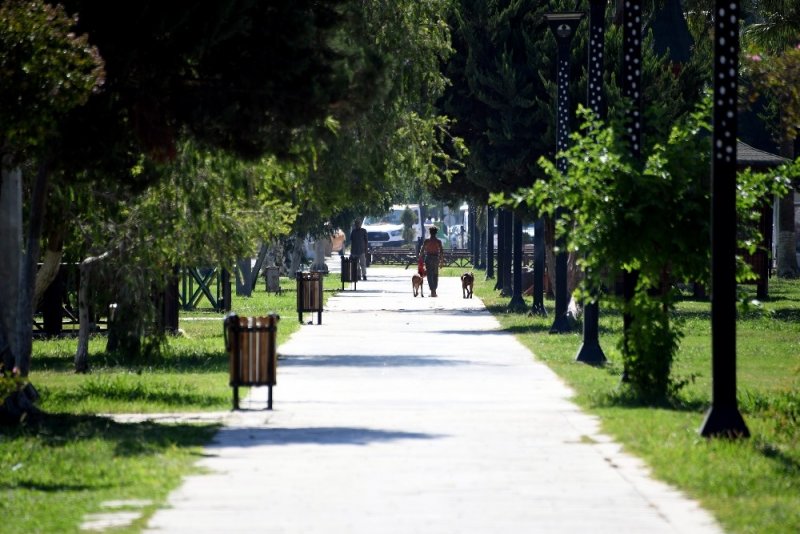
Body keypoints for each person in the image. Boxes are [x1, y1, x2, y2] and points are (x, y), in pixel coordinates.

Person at [420, 226, 444, 297]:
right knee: (435, 274)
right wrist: (441, 261)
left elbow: (422, 250)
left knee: (429, 275)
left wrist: (420, 258)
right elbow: (441, 252)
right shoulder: (438, 241)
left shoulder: (427, 241)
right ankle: (434, 291)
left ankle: (432, 291)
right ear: (436, 233)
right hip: (436, 258)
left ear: (430, 232)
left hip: (428, 258)